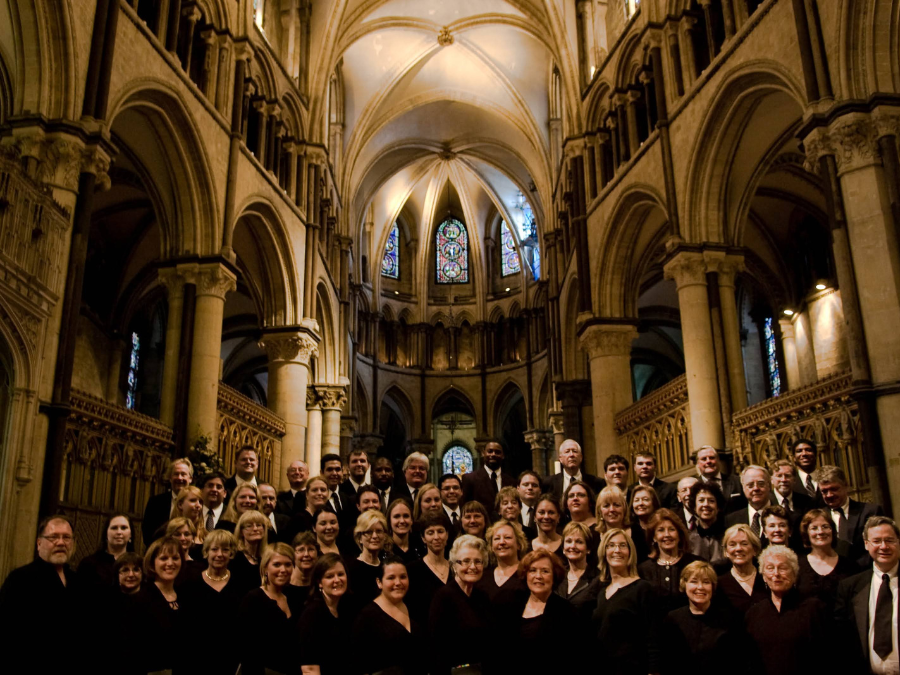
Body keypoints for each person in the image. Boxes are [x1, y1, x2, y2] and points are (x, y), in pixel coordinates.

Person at [0, 516, 86, 669]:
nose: (60, 542)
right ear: (39, 544)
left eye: (66, 537)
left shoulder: (78, 582)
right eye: (53, 537)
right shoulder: (20, 580)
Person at [744, 545, 831, 675]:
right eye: (770, 568)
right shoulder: (754, 614)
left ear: (795, 574)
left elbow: (827, 657)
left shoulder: (814, 609)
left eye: (783, 568)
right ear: (763, 576)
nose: (776, 574)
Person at [835, 516, 900, 674]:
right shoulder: (850, 587)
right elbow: (843, 640)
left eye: (889, 540)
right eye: (876, 541)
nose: (883, 546)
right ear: (866, 544)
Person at [659, 561, 746, 675]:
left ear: (713, 586)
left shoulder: (729, 619)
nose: (700, 587)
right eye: (694, 581)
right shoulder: (673, 619)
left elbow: (739, 661)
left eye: (706, 582)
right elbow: (668, 661)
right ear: (684, 584)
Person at [592, 528, 659, 675]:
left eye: (623, 545)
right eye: (611, 545)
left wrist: (653, 671)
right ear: (604, 551)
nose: (617, 550)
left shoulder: (642, 589)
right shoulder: (601, 592)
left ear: (630, 552)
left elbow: (652, 636)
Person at [181, 530, 243, 675]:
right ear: (206, 552)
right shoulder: (191, 584)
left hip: (230, 660)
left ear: (232, 553)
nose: (219, 554)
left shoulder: (241, 584)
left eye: (225, 550)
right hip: (196, 660)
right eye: (214, 549)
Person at [352, 556, 427, 675]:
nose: (398, 583)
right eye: (391, 578)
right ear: (379, 582)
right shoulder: (366, 617)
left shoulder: (415, 607)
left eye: (403, 577)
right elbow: (360, 665)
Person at [429, 535, 492, 675]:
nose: (473, 567)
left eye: (478, 561)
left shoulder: (483, 596)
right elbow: (437, 648)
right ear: (454, 566)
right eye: (466, 561)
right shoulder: (443, 597)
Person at [238, 542, 304, 675]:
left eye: (288, 564)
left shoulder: (295, 598)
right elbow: (246, 649)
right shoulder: (253, 599)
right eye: (277, 564)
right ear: (265, 568)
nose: (283, 570)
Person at [505, 550, 576, 672]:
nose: (538, 576)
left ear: (554, 576)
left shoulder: (566, 612)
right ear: (525, 574)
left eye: (545, 571)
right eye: (532, 570)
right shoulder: (512, 606)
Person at [132, 536, 187, 674]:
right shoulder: (140, 600)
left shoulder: (186, 598)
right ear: (152, 563)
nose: (170, 563)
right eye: (163, 558)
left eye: (175, 558)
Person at [298, 553, 354, 674]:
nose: (337, 580)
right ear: (319, 582)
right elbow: (309, 669)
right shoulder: (312, 614)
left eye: (340, 574)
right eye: (329, 576)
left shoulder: (346, 609)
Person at [817, 464, 884, 564]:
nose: (829, 495)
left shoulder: (870, 512)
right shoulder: (819, 517)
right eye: (824, 491)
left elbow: (877, 546)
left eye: (834, 489)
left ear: (845, 485)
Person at [638, 508, 699, 615]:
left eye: (671, 529)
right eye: (661, 530)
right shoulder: (643, 570)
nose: (667, 535)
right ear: (654, 537)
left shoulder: (694, 564)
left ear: (679, 535)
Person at [795, 507, 858, 609]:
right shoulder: (797, 566)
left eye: (825, 526)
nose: (820, 532)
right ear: (806, 533)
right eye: (814, 528)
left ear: (832, 531)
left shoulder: (850, 566)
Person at [406, 511, 451, 624]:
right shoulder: (412, 570)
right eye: (430, 532)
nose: (436, 537)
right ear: (423, 538)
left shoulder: (457, 568)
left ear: (447, 535)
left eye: (440, 531)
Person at [717, 524, 767, 617]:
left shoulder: (767, 578)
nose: (738, 548)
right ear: (726, 551)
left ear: (755, 550)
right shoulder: (719, 584)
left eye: (744, 544)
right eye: (732, 544)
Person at [142, 458, 193, 545]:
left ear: (190, 479)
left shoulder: (197, 503)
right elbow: (147, 533)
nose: (179, 477)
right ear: (170, 478)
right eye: (176, 474)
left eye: (183, 474)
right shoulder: (155, 502)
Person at [77, 512, 135, 590]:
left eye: (124, 528)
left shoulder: (138, 565)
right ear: (106, 533)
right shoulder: (89, 564)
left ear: (130, 534)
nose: (119, 532)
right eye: (114, 528)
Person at [557, 521, 600, 619]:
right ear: (563, 548)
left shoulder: (598, 579)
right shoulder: (558, 575)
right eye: (568, 541)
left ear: (588, 548)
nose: (573, 546)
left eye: (579, 542)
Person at [478, 518, 527, 601]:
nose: (502, 542)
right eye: (497, 538)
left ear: (519, 544)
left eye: (507, 537)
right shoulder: (483, 577)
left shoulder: (527, 574)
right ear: (491, 547)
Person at [349, 509, 390, 603]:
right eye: (369, 532)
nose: (375, 536)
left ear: (385, 536)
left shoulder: (387, 566)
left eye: (379, 531)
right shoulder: (351, 569)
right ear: (359, 538)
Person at [461, 440, 514, 512]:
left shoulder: (511, 481)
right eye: (490, 451)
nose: (493, 454)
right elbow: (465, 507)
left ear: (503, 456)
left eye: (497, 452)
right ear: (483, 453)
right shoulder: (470, 479)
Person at [687, 481, 726, 568]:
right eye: (701, 500)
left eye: (711, 501)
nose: (706, 504)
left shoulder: (728, 537)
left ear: (718, 506)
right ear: (694, 506)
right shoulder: (688, 539)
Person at [725, 465, 774, 535]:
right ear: (743, 488)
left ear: (769, 486)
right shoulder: (731, 521)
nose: (756, 488)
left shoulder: (786, 517)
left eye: (761, 484)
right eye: (750, 485)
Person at [231, 509, 270, 595]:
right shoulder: (234, 558)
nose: (255, 529)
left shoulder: (267, 557)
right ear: (241, 531)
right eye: (249, 526)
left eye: (259, 525)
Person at [693, 445, 742, 510]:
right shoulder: (693, 486)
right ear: (698, 464)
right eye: (704, 459)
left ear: (718, 460)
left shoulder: (737, 481)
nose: (708, 461)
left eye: (712, 458)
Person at [387, 498, 425, 563]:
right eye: (397, 516)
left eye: (406, 516)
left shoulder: (421, 548)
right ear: (389, 521)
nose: (402, 521)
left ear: (411, 520)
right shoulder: (383, 550)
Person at [629, 484, 659, 563]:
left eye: (645, 499)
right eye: (636, 500)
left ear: (654, 503)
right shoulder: (630, 529)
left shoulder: (661, 526)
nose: (640, 503)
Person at [290, 531, 319, 599]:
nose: (306, 554)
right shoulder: (284, 583)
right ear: (293, 555)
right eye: (301, 550)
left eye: (311, 549)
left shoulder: (321, 583)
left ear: (317, 555)